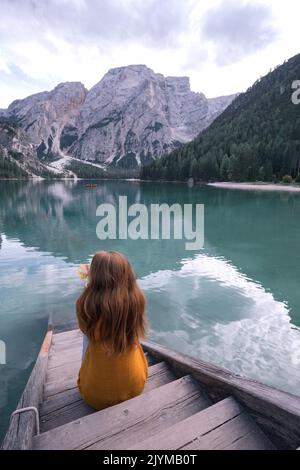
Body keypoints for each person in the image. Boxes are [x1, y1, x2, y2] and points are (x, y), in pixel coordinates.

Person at [76, 251, 148, 410]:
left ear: (94, 277)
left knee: (89, 337)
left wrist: (88, 289)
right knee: (131, 336)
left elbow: (85, 330)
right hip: (135, 387)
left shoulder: (83, 304)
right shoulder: (137, 301)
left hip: (94, 396)